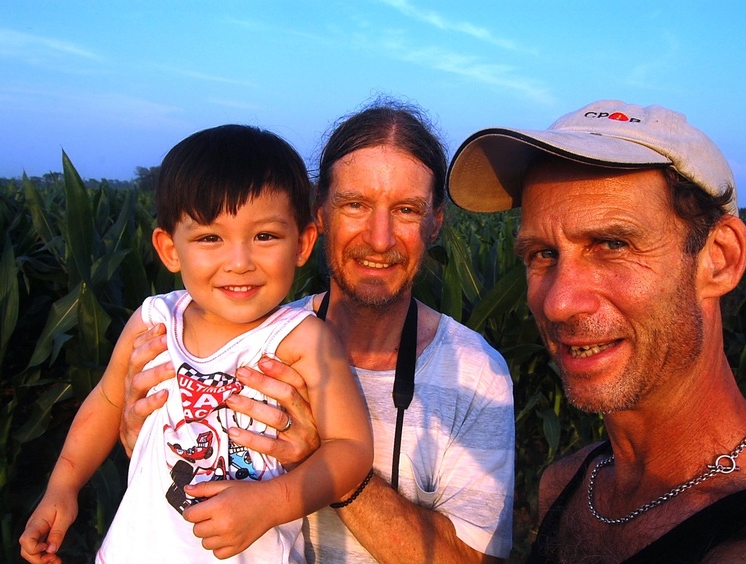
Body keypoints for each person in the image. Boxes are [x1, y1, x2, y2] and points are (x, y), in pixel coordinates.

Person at [120, 101, 517, 562]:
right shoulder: (243, 337)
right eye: (355, 205)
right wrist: (142, 435)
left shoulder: (477, 375)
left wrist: (330, 468)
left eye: (406, 210)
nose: (380, 238)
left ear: (435, 224)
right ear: (320, 214)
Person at [447, 100, 746, 562]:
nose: (558, 302)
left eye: (612, 244)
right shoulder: (566, 486)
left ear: (720, 259)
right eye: (542, 254)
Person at [19, 125, 373, 563]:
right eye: (210, 238)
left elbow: (351, 449)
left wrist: (271, 503)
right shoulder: (153, 322)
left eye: (265, 236)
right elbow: (108, 403)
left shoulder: (301, 340)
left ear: (302, 243)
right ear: (169, 249)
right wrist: (63, 487)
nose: (239, 262)